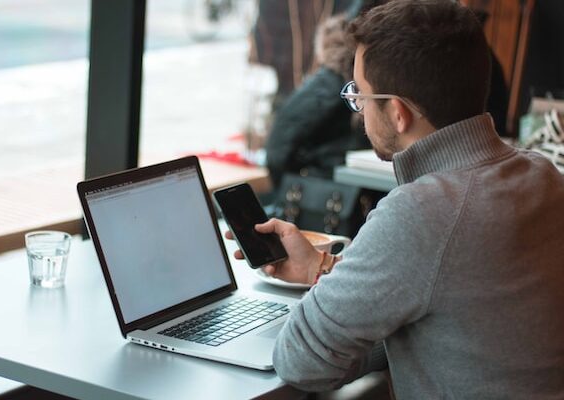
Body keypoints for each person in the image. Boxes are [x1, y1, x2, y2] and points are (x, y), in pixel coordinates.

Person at [227, 0, 564, 398]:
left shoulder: (422, 212)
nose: (358, 109)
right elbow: (440, 302)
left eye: (360, 96)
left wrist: (326, 297)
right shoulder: (542, 176)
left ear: (399, 114)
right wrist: (322, 267)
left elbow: (300, 359)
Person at [264, 13, 372, 188]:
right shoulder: (366, 85)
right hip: (358, 186)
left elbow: (277, 150)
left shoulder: (323, 85)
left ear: (323, 47)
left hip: (325, 188)